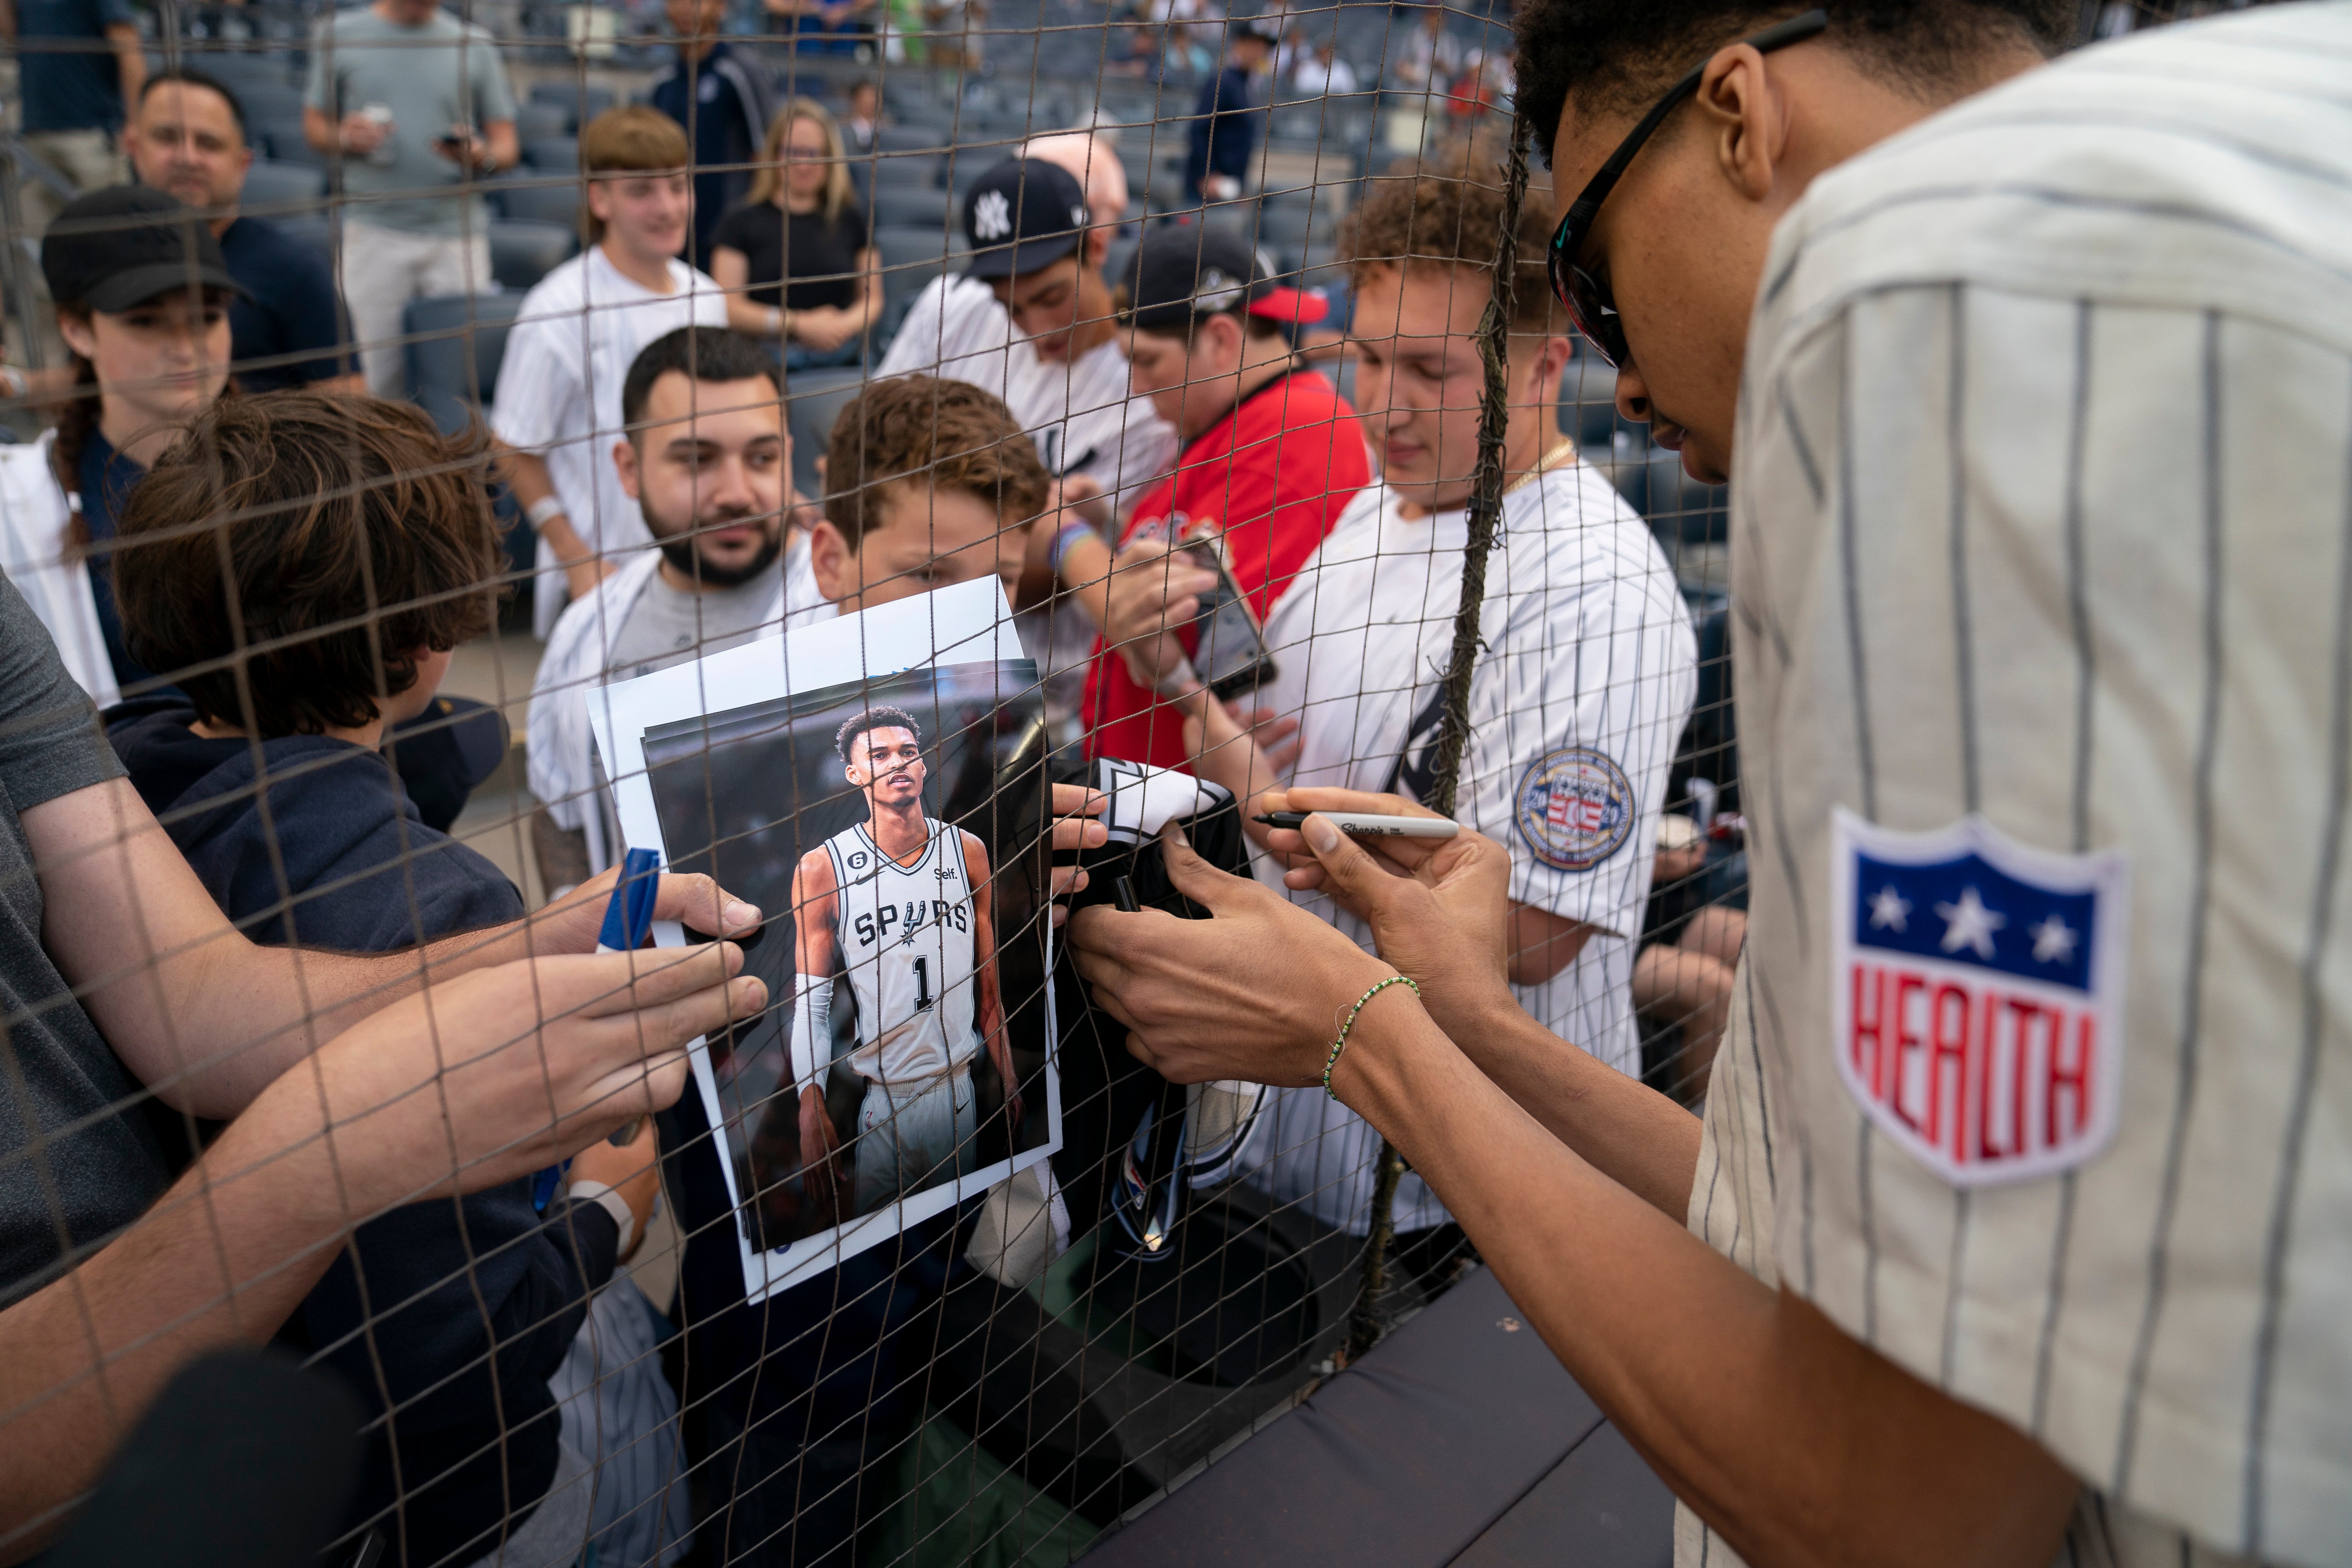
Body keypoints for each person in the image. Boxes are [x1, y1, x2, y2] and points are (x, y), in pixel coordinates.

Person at [1074, 4, 2352, 1565]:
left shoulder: (1951, 338)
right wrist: (1452, 1015)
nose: (1618, 375)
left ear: (1739, 116)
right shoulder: (2259, 139)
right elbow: (1824, 1233)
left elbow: (1897, 1505)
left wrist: (1365, 1035)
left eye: (1596, 282)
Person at [100, 388, 681, 1567]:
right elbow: (446, 1349)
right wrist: (608, 1204)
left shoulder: (99, 805)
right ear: (429, 641)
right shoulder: (446, 916)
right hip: (422, 1505)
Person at [1171, 153, 1693, 1244]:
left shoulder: (1595, 587)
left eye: (1428, 370)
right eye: (1365, 357)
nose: (1381, 402)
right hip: (1315, 1125)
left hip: (1464, 1199)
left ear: (1542, 369)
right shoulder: (1383, 499)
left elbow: (1532, 930)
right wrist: (1213, 723)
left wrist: (1271, 803)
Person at [875, 152, 1178, 735]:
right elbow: (859, 461)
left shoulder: (1144, 395)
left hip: (1031, 690)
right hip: (901, 654)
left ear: (1095, 248)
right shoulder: (954, 308)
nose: (1035, 326)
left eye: (1050, 297)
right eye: (1012, 306)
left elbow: (1039, 580)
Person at [1058, 224, 1368, 773]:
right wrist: (1113, 522)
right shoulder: (1247, 416)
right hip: (1154, 785)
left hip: (1199, 807)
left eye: (1148, 360)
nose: (1136, 383)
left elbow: (1211, 648)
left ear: (1222, 338)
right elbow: (1197, 556)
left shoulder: (1297, 431)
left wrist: (1065, 538)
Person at [528, 326, 827, 890]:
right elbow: (558, 808)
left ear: (788, 456)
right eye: (697, 461)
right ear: (629, 468)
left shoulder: (852, 608)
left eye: (761, 458)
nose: (736, 492)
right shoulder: (583, 630)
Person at [494, 107, 729, 639]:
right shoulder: (556, 306)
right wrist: (578, 560)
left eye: (677, 186)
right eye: (642, 191)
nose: (667, 207)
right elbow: (512, 447)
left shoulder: (707, 295)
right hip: (604, 579)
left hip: (699, 571)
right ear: (600, 199)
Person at [0, 187, 239, 707]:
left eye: (208, 316)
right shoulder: (15, 503)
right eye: (145, 320)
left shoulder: (297, 468)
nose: (185, 345)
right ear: (77, 330)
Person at [787, 705, 1017, 1222]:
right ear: (855, 774)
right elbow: (812, 1005)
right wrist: (810, 1101)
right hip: (881, 1101)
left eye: (907, 752)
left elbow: (989, 994)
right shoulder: (823, 866)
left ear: (924, 766)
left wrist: (1009, 1077)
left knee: (956, 1239)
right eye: (879, 754)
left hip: (956, 1090)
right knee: (876, 1255)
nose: (897, 762)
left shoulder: (968, 851)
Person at [301, 0, 519, 395]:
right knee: (370, 381)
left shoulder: (475, 44)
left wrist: (479, 155)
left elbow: (506, 145)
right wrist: (345, 138)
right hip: (373, 234)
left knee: (457, 386)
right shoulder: (340, 35)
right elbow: (315, 126)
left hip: (456, 237)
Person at [123, 69, 364, 394]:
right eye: (167, 137)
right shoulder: (109, 257)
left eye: (209, 143)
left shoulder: (294, 270)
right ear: (134, 147)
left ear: (243, 165)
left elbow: (349, 404)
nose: (188, 158)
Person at [710, 99, 880, 371]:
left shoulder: (851, 218)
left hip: (840, 356)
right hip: (763, 361)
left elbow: (872, 299)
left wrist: (837, 327)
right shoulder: (739, 221)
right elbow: (729, 307)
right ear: (774, 155)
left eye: (814, 153)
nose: (803, 164)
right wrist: (799, 325)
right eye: (792, 152)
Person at [650, 0, 780, 265]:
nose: (685, 8)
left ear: (720, 7)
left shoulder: (739, 69)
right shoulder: (663, 81)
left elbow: (766, 151)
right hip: (674, 228)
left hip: (728, 233)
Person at [0, 0, 143, 230]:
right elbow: (12, 38)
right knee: (38, 243)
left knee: (108, 234)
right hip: (36, 135)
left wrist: (136, 122)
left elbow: (128, 46)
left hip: (91, 132)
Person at [1186, 20, 1275, 205]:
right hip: (1211, 185)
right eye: (1253, 45)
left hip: (1231, 183)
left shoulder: (1249, 84)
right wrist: (1208, 173)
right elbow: (1199, 129)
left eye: (1262, 48)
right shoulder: (1223, 81)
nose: (1258, 52)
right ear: (1239, 45)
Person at [1392, 5, 1463, 95]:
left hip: (1437, 95)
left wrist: (1440, 65)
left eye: (1438, 17)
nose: (1434, 20)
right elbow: (1400, 63)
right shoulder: (1414, 35)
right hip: (1412, 93)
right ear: (1425, 17)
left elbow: (1455, 72)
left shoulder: (1451, 41)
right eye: (1432, 16)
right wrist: (1405, 70)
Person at [1291, 37, 1358, 96]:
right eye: (1323, 51)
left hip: (1337, 107)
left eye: (1328, 51)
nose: (1326, 54)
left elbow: (1350, 91)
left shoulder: (1343, 69)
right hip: (1310, 107)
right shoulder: (1306, 68)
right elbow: (1300, 89)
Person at [843, 78, 883, 151]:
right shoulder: (844, 125)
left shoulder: (886, 126)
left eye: (872, 97)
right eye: (865, 97)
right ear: (855, 99)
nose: (869, 102)